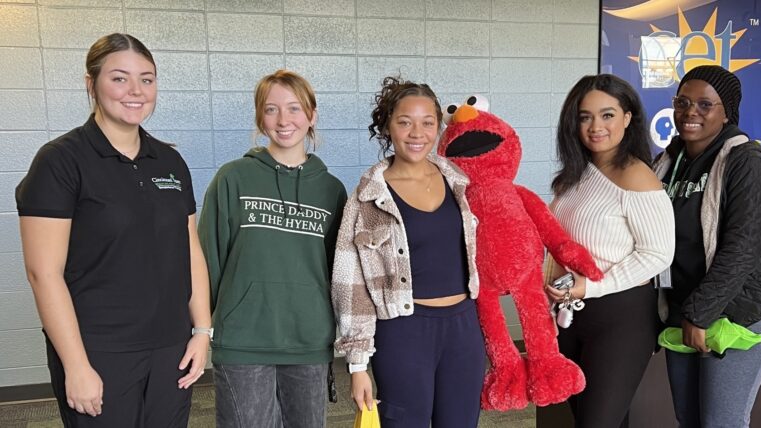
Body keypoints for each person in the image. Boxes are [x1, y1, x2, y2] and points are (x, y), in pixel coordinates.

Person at [16, 33, 211, 427]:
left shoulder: (169, 162)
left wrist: (203, 330)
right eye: (119, 78)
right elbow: (43, 273)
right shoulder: (60, 161)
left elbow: (189, 247)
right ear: (91, 84)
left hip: (171, 348)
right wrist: (76, 365)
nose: (136, 91)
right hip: (99, 351)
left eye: (147, 79)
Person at [331, 77, 484, 427]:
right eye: (405, 122)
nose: (417, 133)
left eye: (427, 123)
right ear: (388, 125)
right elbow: (348, 285)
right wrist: (357, 365)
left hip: (463, 328)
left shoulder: (459, 183)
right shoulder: (366, 198)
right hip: (404, 333)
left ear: (438, 127)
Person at [198, 69, 347, 428]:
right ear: (259, 118)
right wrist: (204, 329)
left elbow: (339, 272)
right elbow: (207, 261)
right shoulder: (232, 178)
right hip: (243, 340)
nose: (284, 120)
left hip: (308, 340)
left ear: (311, 116)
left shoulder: (332, 190)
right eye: (271, 110)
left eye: (294, 109)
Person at [653, 65, 761, 427]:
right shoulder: (669, 162)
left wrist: (700, 313)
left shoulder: (748, 165)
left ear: (726, 111)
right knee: (689, 418)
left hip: (740, 308)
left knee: (722, 422)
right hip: (687, 308)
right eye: (682, 102)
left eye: (704, 104)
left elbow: (742, 248)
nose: (690, 113)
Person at [545, 74, 676, 428]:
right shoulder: (576, 175)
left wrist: (590, 286)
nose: (595, 126)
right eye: (585, 116)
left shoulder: (637, 176)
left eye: (607, 115)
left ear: (627, 118)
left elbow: (657, 255)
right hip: (569, 314)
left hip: (620, 317)